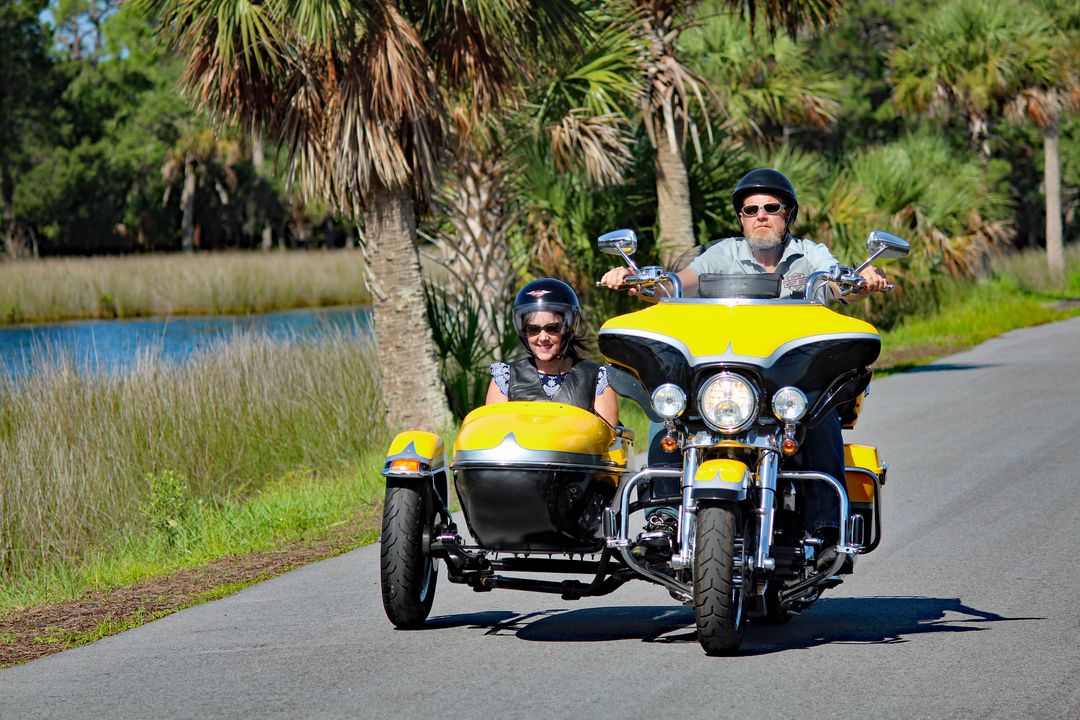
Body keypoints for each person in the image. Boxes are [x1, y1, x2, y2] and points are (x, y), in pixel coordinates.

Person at [598, 168, 891, 568]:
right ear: (740, 218)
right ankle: (662, 519)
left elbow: (841, 285)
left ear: (788, 213)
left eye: (771, 208)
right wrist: (641, 282)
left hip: (786, 380)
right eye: (750, 209)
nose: (761, 216)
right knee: (667, 406)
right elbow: (679, 285)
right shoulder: (723, 254)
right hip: (730, 379)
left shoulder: (811, 255)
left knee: (818, 412)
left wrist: (863, 279)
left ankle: (824, 530)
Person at [486, 278, 619, 427]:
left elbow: (608, 440)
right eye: (533, 329)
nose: (543, 337)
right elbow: (494, 433)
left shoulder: (597, 377)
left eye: (552, 328)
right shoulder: (505, 377)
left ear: (568, 327)